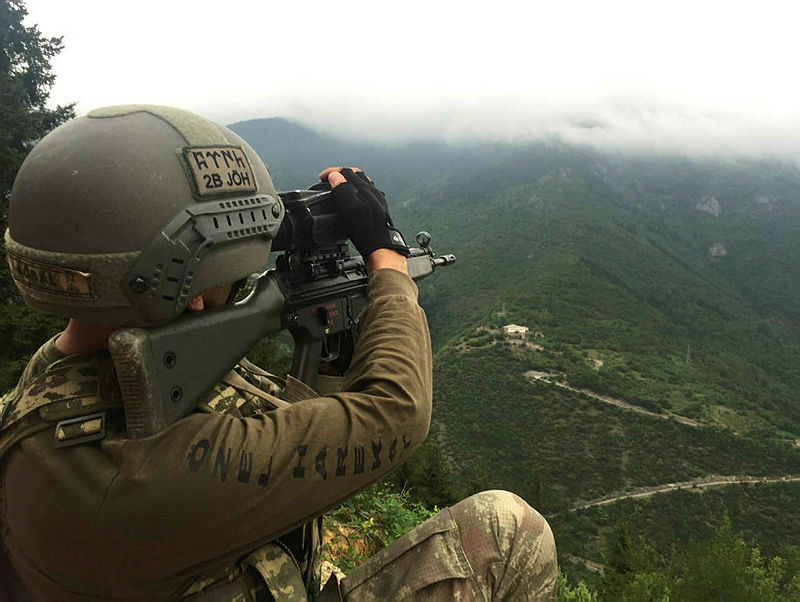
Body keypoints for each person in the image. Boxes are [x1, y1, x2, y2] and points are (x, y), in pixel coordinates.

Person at [0, 105, 557, 600]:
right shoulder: (130, 478)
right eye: (230, 266)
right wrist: (387, 263)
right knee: (511, 531)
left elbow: (282, 436)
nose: (242, 276)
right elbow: (396, 413)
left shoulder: (61, 381)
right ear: (187, 292)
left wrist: (332, 348)